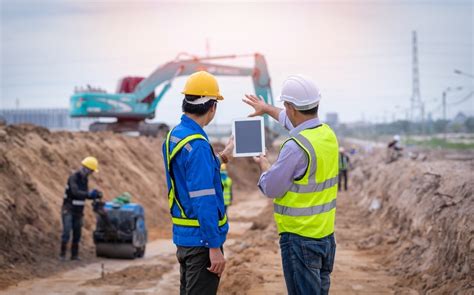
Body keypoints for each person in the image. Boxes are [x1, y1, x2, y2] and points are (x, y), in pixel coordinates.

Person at [243, 75, 338, 295]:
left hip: (300, 240)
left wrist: (264, 166)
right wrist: (267, 108)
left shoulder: (295, 147)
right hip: (325, 237)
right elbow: (291, 120)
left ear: (290, 107)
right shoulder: (328, 135)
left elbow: (272, 188)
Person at [162, 71, 234, 295]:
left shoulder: (176, 135)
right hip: (201, 242)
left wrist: (221, 158)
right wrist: (214, 246)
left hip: (185, 237)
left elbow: (187, 174)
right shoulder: (199, 144)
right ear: (212, 107)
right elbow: (203, 199)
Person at [60, 156, 102, 260]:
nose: (91, 173)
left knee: (77, 233)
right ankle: (62, 254)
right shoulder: (73, 178)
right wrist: (89, 194)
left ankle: (74, 255)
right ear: (86, 169)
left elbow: (84, 195)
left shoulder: (85, 180)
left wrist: (94, 195)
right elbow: (75, 192)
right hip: (68, 209)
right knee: (66, 231)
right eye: (91, 171)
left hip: (78, 211)